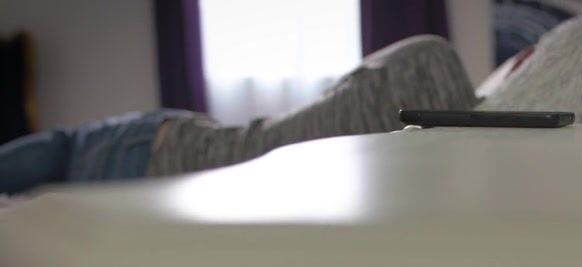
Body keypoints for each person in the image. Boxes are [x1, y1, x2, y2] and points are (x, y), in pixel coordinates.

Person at [0, 36, 476, 195]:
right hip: (164, 143)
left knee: (64, 147)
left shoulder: (414, 77)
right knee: (63, 151)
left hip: (156, 145)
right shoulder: (385, 132)